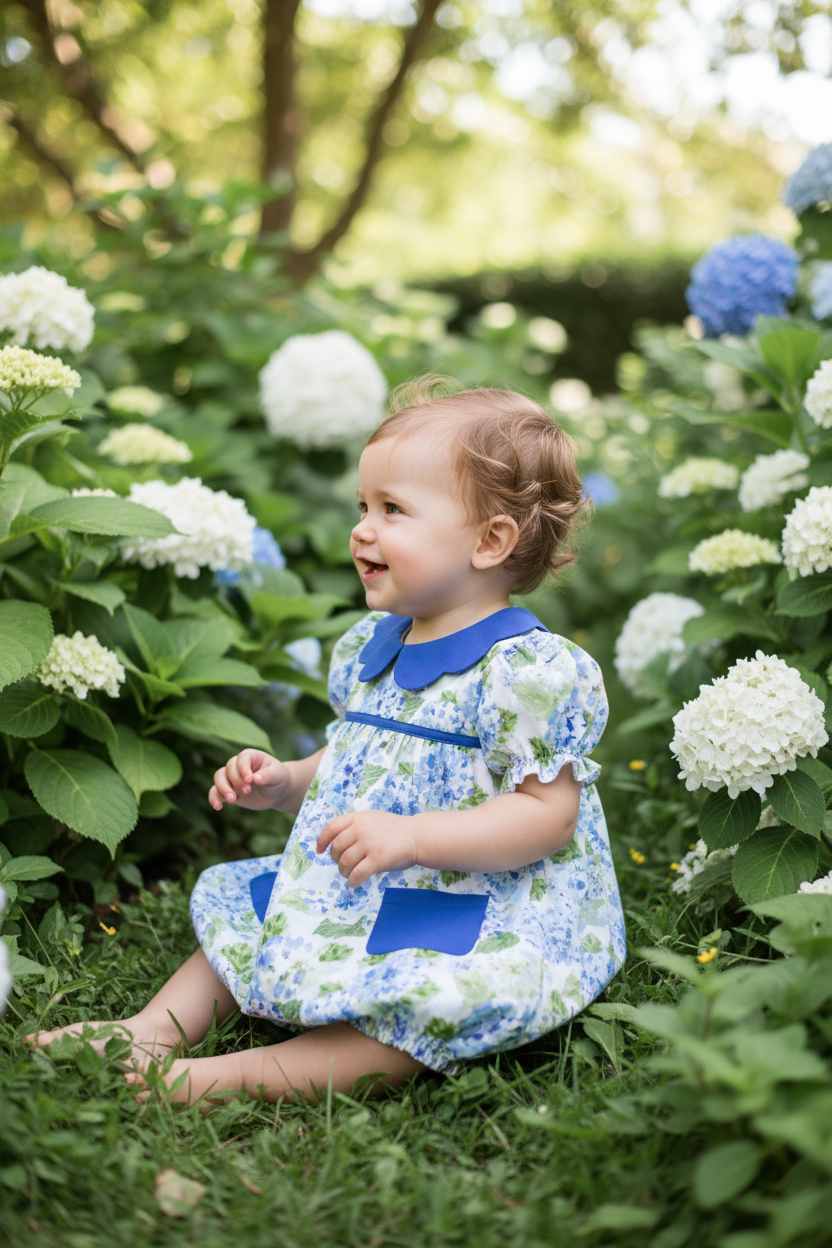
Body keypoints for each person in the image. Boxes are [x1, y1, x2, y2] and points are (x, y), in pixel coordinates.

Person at [26, 379, 626, 1106]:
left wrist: (414, 838)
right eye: (363, 507)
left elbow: (545, 817)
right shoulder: (374, 647)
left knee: (422, 1003)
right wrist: (287, 781)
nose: (363, 530)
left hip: (485, 897)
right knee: (261, 912)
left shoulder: (525, 673)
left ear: (489, 540)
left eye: (394, 510)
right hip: (374, 881)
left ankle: (241, 1077)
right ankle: (151, 1027)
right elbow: (354, 767)